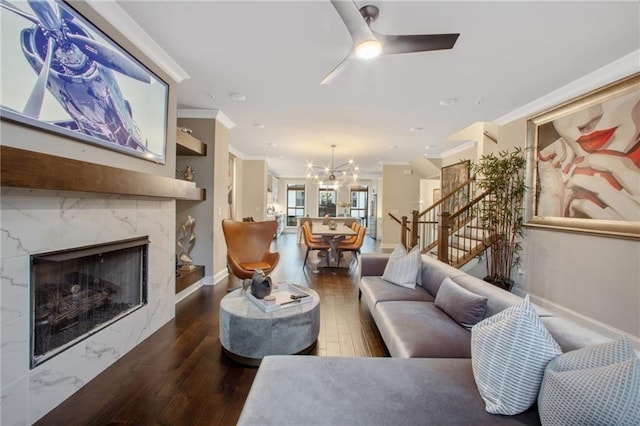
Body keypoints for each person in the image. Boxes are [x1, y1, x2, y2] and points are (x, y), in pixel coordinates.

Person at [537, 88, 640, 221]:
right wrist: (551, 205)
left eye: (608, 94)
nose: (584, 120)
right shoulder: (564, 175)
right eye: (567, 109)